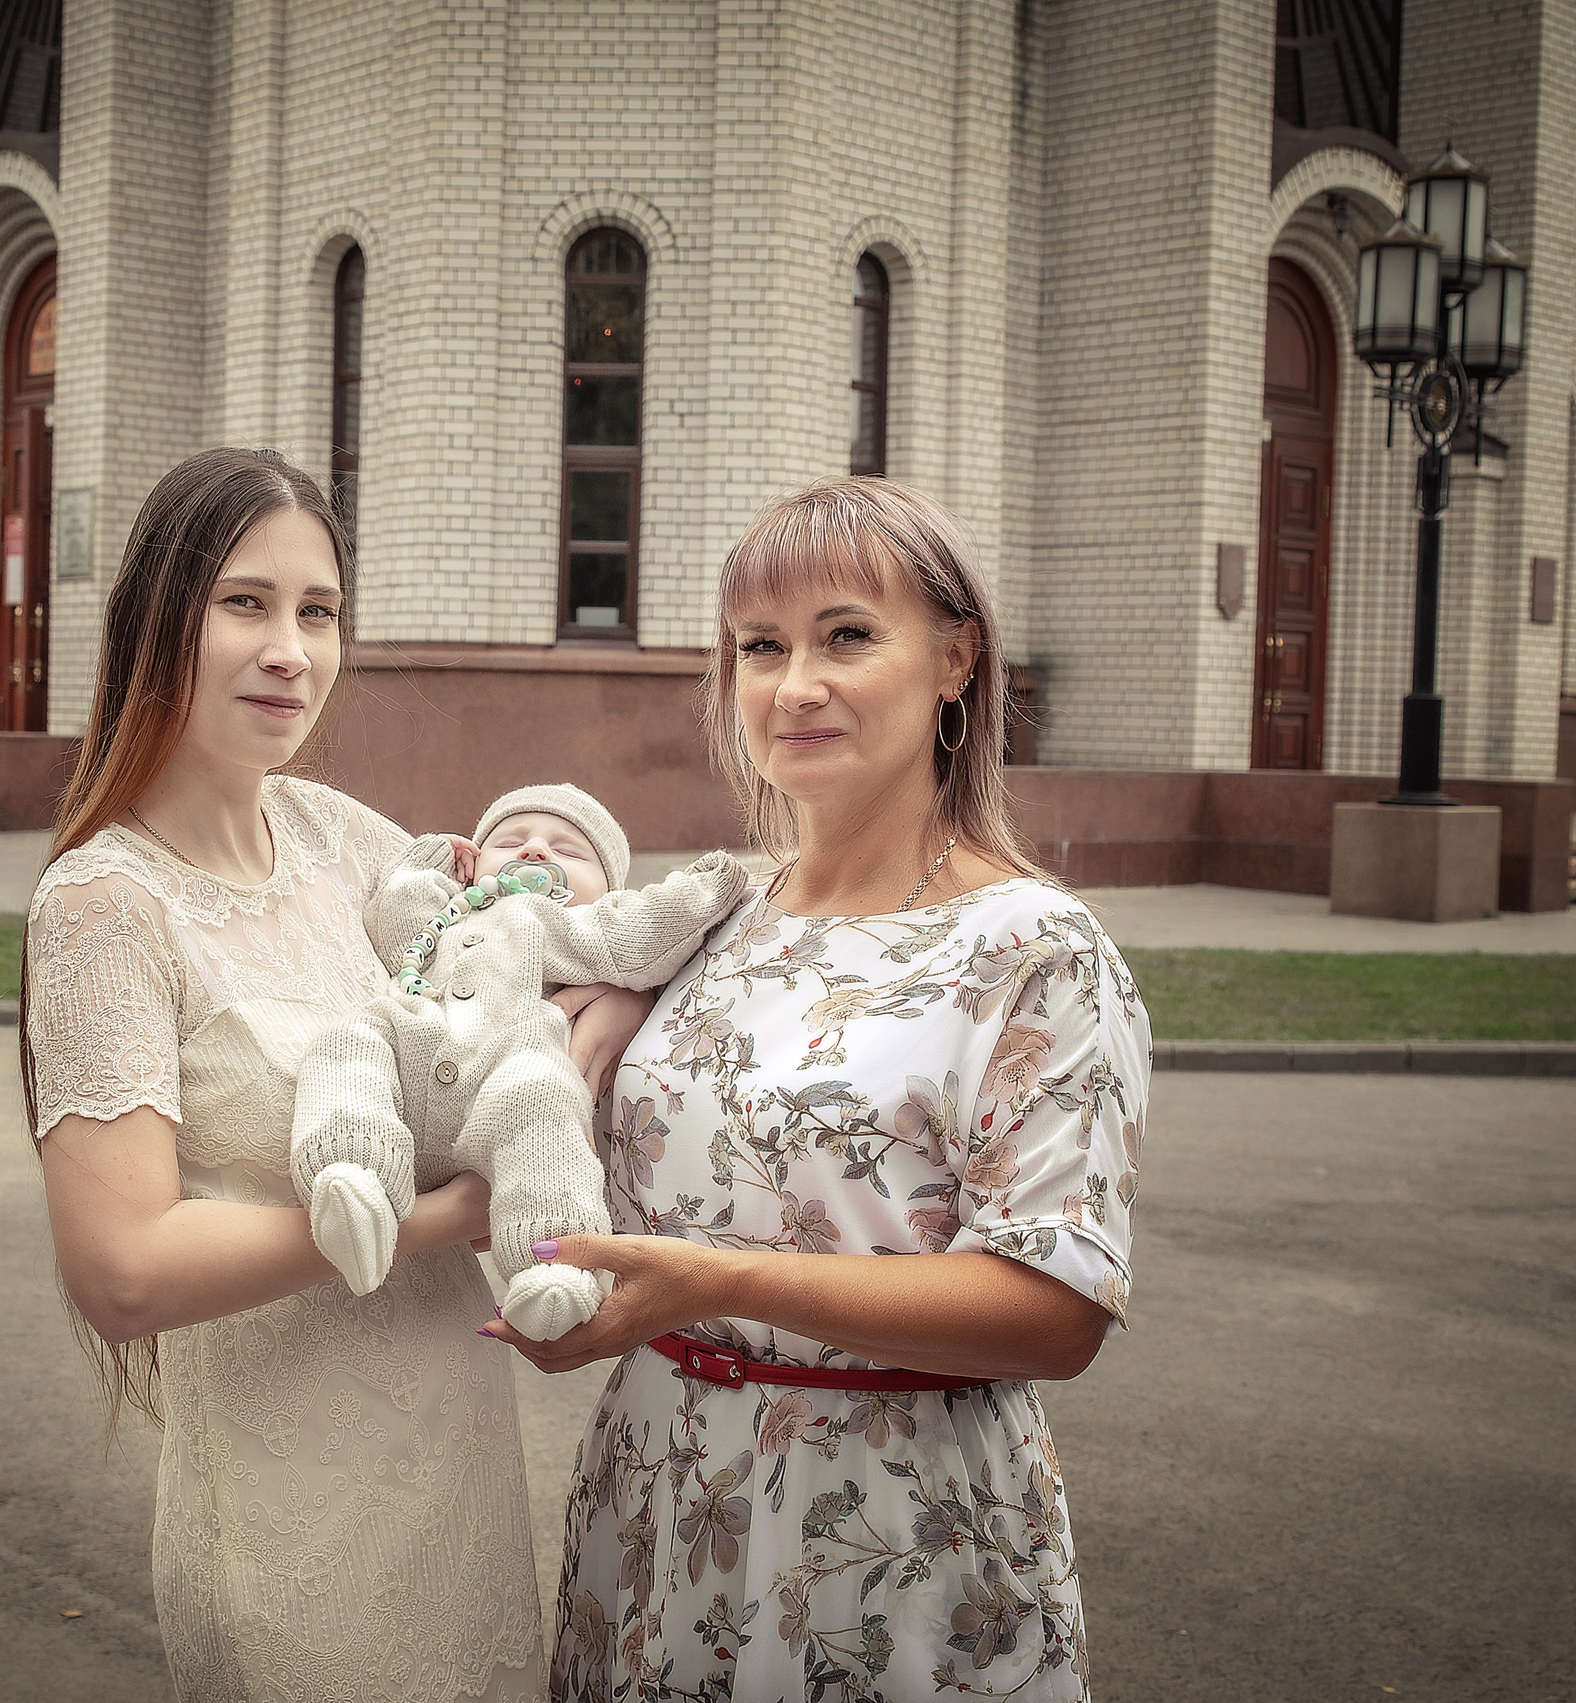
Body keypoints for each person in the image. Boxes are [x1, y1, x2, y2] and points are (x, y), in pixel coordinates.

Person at [492, 476, 1152, 1702]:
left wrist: (710, 1282)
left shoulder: (1035, 949)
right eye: (760, 646)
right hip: (658, 1499)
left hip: (888, 1531)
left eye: (846, 635)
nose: (794, 684)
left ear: (955, 657)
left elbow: (1055, 1309)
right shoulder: (713, 918)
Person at [21, 448, 649, 1701]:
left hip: (453, 1456)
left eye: (318, 612)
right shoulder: (103, 904)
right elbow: (123, 1271)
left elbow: (547, 949)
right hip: (288, 1512)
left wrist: (603, 1013)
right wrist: (448, 1216)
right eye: (245, 603)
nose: (290, 651)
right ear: (156, 618)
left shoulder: (347, 839)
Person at [289, 783, 749, 1338]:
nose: (535, 850)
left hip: (508, 1061)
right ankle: (353, 1171)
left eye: (569, 850)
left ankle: (553, 1262)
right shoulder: (445, 916)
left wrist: (711, 883)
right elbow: (393, 915)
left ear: (605, 893)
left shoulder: (573, 926)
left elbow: (643, 932)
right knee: (349, 1039)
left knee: (543, 1100)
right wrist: (431, 860)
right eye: (509, 841)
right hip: (412, 1038)